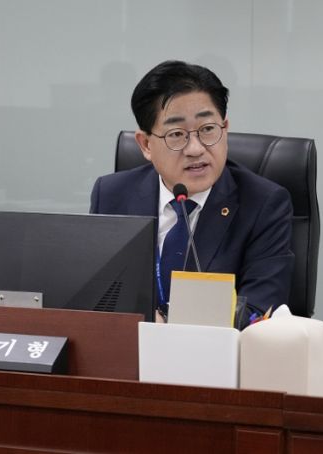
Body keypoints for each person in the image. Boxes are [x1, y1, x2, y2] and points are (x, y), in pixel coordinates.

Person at [90, 60, 293, 329]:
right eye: (176, 134)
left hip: (217, 352)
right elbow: (98, 297)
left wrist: (169, 327)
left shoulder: (264, 204)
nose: (195, 149)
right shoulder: (112, 195)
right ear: (146, 144)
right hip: (131, 350)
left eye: (207, 129)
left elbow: (258, 310)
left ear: (225, 129)